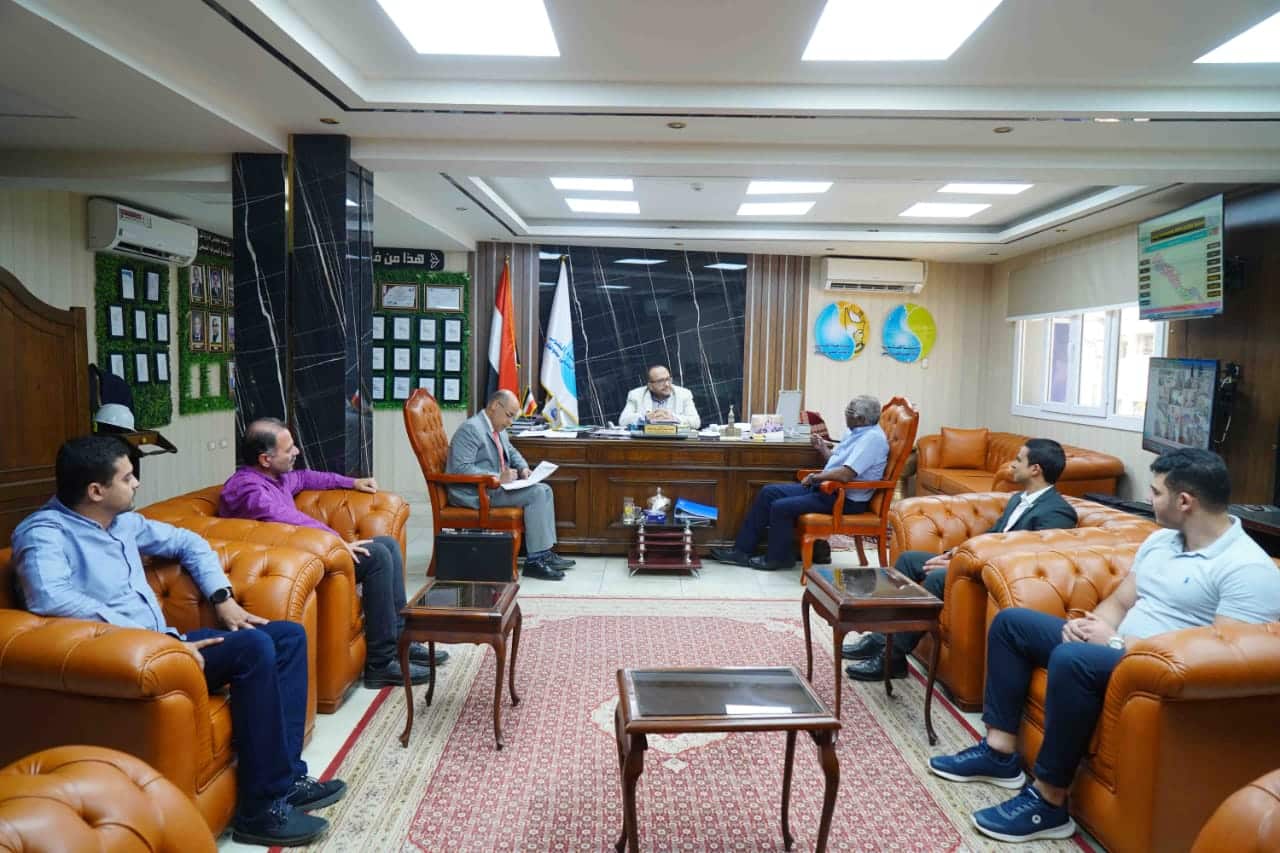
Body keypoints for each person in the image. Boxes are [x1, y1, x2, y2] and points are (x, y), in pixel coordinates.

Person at [928, 448, 1280, 843]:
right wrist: (1091, 625)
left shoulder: (1247, 568)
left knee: (1073, 659)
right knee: (1013, 625)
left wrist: (1116, 642)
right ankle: (999, 751)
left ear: (1185, 501)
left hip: (1153, 672)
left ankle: (1049, 801)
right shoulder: (1162, 542)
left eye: (1156, 492)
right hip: (1113, 646)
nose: (1148, 498)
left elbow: (1223, 659)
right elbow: (1121, 601)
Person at [11, 436, 343, 847]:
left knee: (287, 636)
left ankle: (286, 779)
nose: (136, 484)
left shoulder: (123, 522)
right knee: (254, 648)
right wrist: (154, 645)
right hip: (129, 660)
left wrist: (222, 599)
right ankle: (260, 811)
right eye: (127, 478)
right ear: (96, 491)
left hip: (170, 646)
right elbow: (51, 598)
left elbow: (189, 542)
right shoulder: (44, 534)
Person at [218, 418, 443, 689]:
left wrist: (352, 482)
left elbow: (305, 477)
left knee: (388, 545)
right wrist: (336, 542)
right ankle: (380, 664)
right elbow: (286, 518)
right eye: (289, 449)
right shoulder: (246, 489)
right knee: (378, 558)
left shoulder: (276, 477)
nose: (297, 452)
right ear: (265, 459)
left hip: (308, 553)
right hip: (290, 568)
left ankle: (399, 640)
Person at [844, 438, 1078, 681]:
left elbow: (1024, 559)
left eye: (1019, 460)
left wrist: (961, 564)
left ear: (1035, 469)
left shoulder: (1058, 512)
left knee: (937, 578)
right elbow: (991, 537)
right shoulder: (1018, 499)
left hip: (998, 576)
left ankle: (892, 659)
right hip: (976, 561)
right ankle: (880, 638)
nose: (1012, 465)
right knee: (909, 560)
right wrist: (955, 552)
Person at [710, 395, 889, 571]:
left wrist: (814, 477)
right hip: (828, 490)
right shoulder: (855, 432)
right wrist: (822, 449)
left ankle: (779, 559)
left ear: (861, 419)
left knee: (781, 507)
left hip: (844, 499)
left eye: (848, 412)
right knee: (768, 492)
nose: (845, 415)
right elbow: (837, 463)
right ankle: (742, 551)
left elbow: (845, 475)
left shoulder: (872, 439)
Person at [448, 389, 575, 581]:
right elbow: (460, 469)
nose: (510, 422)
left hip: (493, 488)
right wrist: (498, 477)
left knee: (545, 489)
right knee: (536, 494)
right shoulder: (471, 429)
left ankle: (544, 554)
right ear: (494, 406)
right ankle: (534, 562)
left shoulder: (496, 428)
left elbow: (512, 451)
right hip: (476, 492)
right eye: (509, 415)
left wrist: (523, 468)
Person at [618, 365, 701, 429]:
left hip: (674, 442)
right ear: (650, 386)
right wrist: (645, 417)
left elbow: (696, 422)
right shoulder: (636, 395)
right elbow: (623, 421)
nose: (667, 384)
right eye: (661, 381)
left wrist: (673, 418)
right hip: (647, 441)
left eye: (668, 379)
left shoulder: (684, 394)